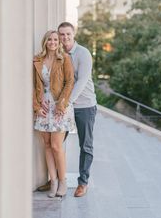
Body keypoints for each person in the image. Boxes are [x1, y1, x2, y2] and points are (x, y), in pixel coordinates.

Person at [33, 30, 75, 197]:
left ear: (59, 42)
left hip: (59, 107)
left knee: (57, 146)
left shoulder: (64, 58)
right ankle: (54, 181)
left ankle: (63, 181)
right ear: (45, 42)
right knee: (48, 145)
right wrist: (36, 105)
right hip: (43, 108)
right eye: (49, 39)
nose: (53, 42)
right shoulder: (37, 60)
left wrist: (62, 104)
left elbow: (70, 81)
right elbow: (32, 86)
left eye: (56, 39)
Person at [58, 21, 97, 198]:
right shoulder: (59, 53)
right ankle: (55, 178)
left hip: (84, 106)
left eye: (68, 34)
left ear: (74, 35)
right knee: (56, 143)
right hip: (64, 106)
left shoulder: (83, 53)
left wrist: (67, 102)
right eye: (62, 34)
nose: (65, 37)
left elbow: (81, 82)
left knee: (85, 145)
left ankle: (83, 183)